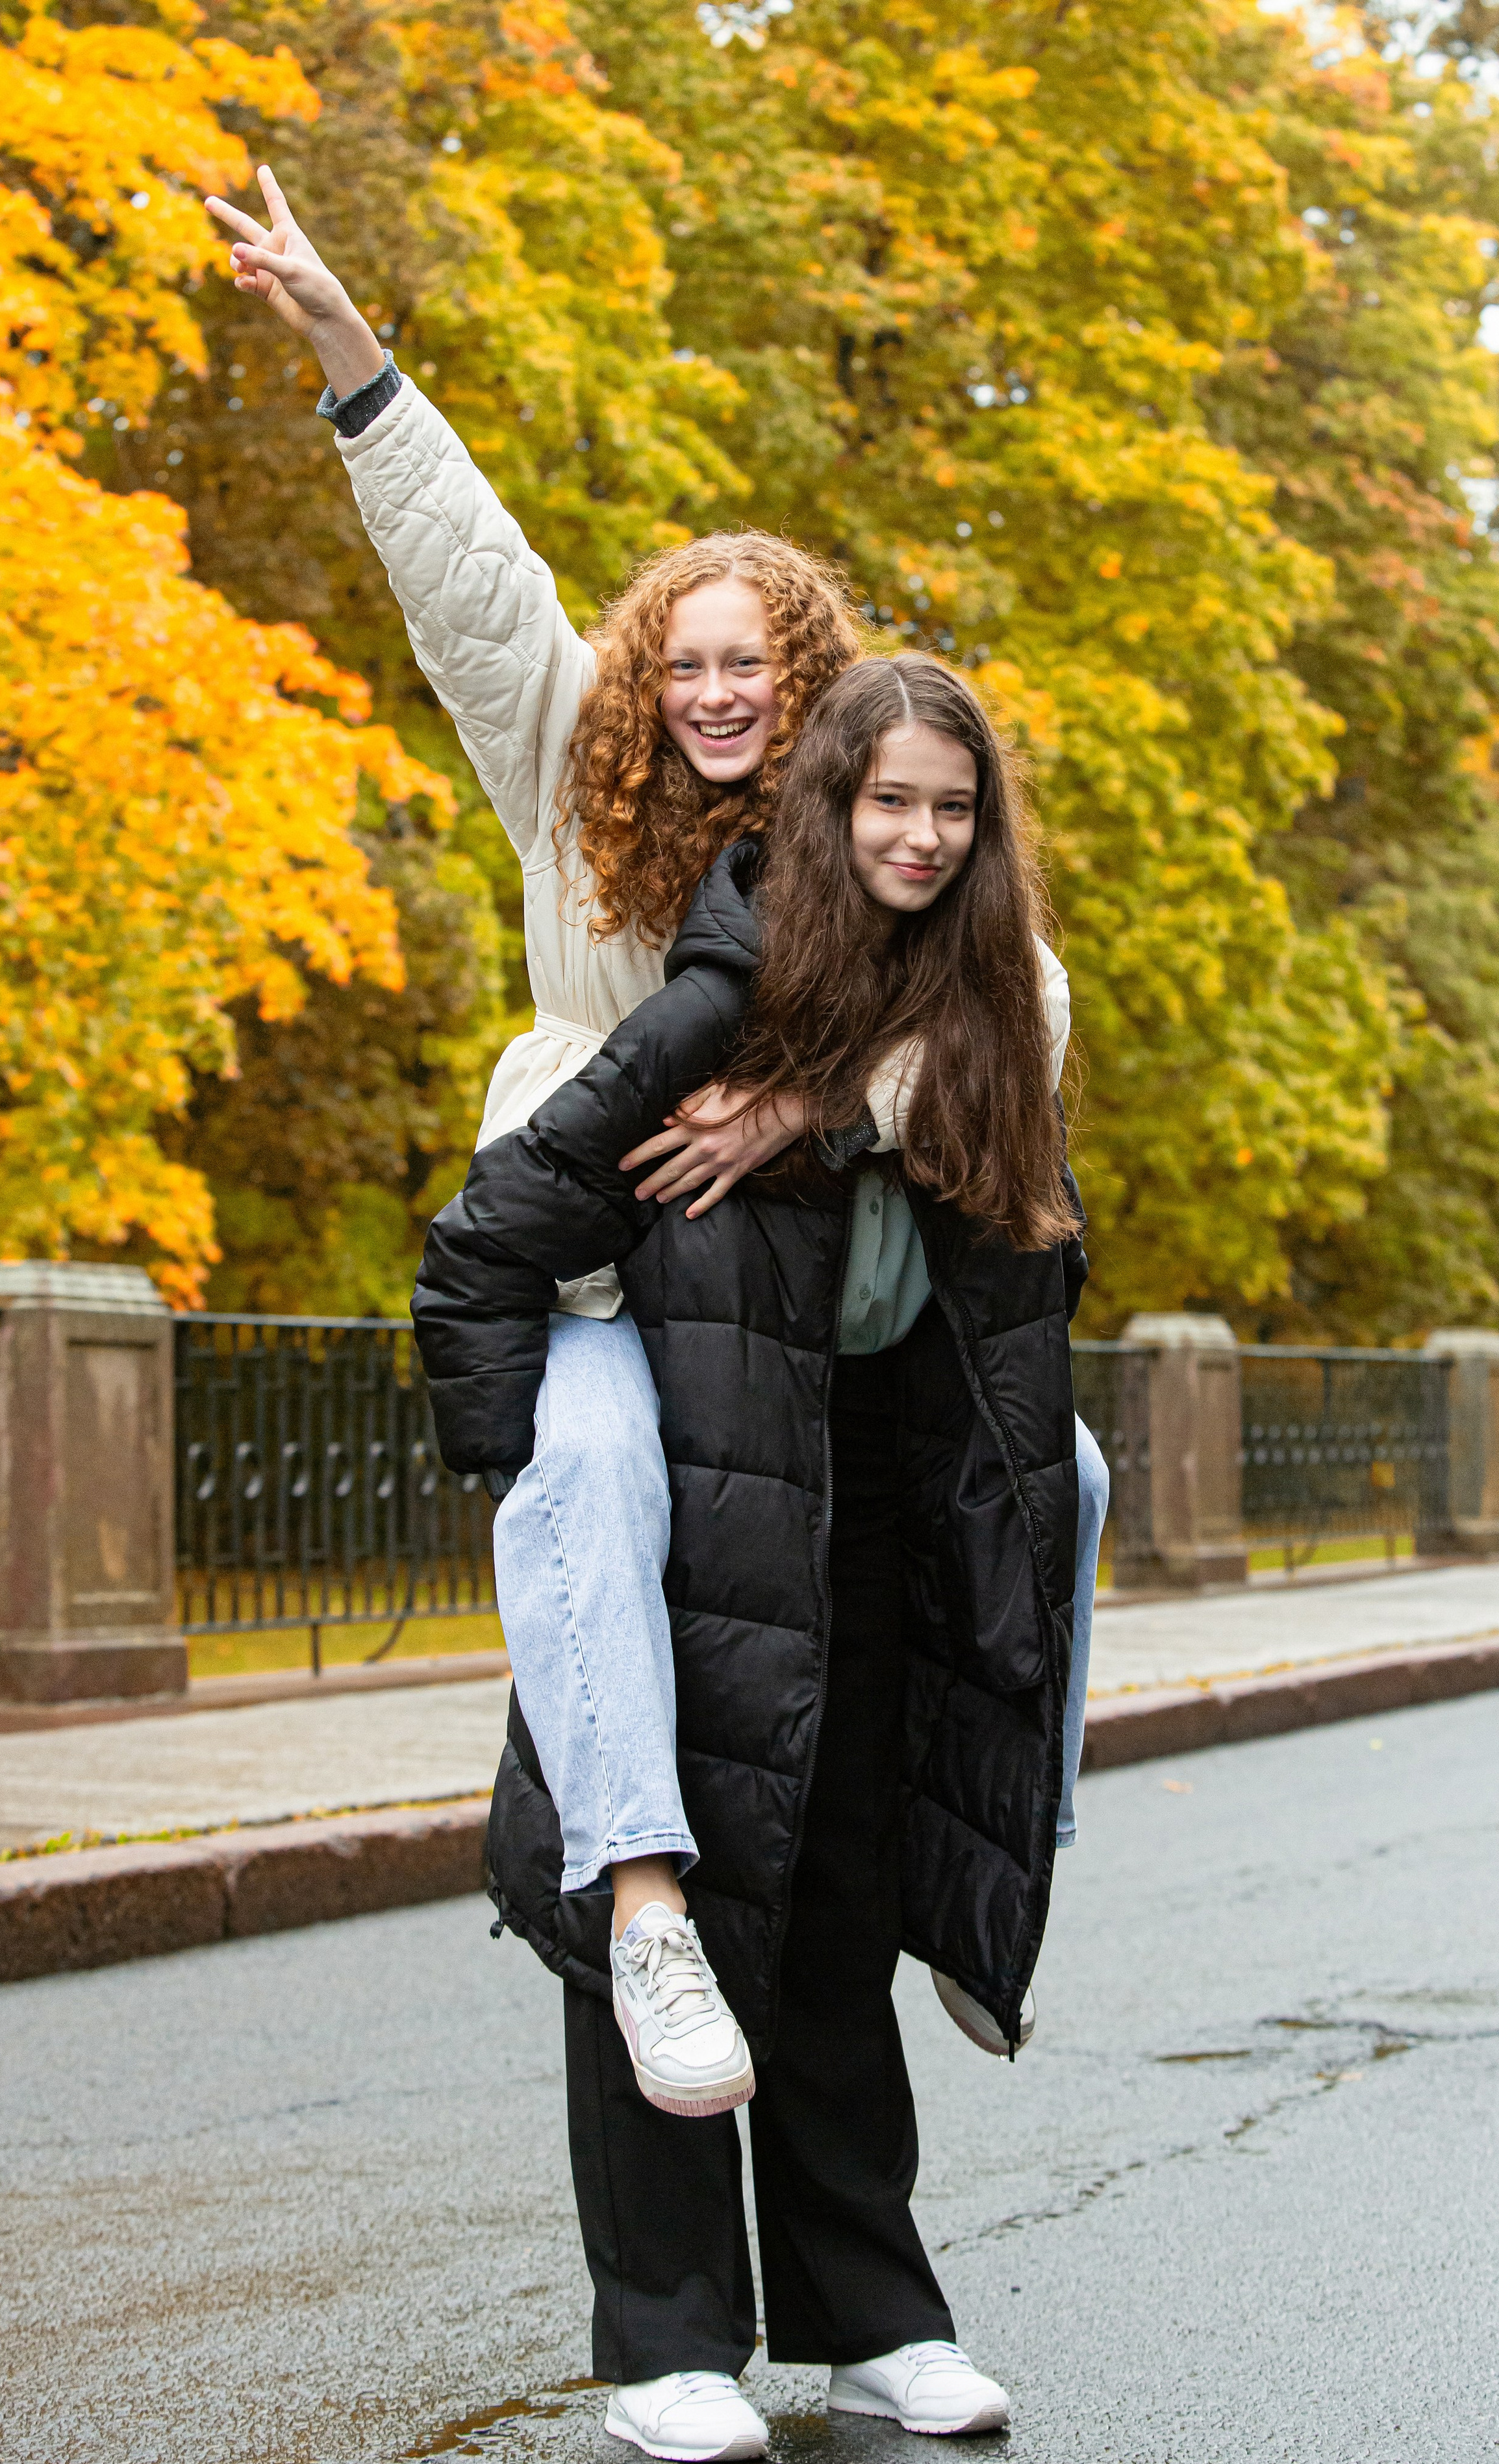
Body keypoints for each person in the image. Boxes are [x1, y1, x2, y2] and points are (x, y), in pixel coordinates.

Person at [205, 169, 1107, 2076]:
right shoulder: (566, 768)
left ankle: (1002, 1851)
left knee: (1068, 1482)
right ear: (643, 677)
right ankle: (642, 1905)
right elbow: (465, 574)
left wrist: (817, 1096)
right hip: (609, 1264)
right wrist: (346, 342)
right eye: (684, 662)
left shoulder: (859, 834)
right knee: (594, 1476)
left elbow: (1014, 1004)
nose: (713, 693)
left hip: (792, 1294)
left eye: (750, 664)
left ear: (808, 687)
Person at [414, 654, 1095, 2463]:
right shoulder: (717, 996)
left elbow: (1026, 1238)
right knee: (667, 1895)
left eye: (953, 809)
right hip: (694, 1483)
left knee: (839, 1894)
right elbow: (494, 1228)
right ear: (829, 803)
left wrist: (830, 1116)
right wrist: (513, 1448)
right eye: (890, 802)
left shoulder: (986, 1005)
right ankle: (666, 2343)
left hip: (870, 1484)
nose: (921, 836)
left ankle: (877, 2320)